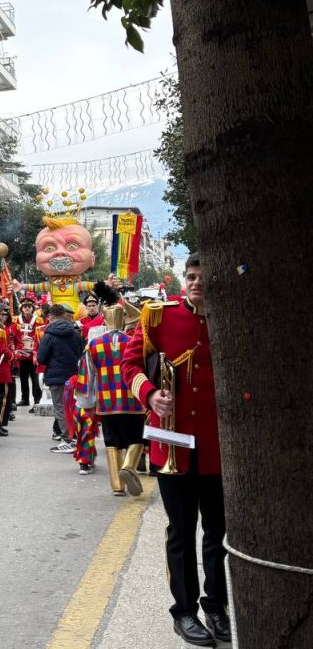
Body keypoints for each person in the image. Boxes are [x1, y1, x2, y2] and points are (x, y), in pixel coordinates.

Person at [121, 254, 229, 646]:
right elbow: (128, 365)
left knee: (217, 531)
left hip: (218, 446)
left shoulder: (229, 318)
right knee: (181, 532)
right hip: (171, 442)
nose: (195, 282)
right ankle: (184, 612)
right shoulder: (157, 317)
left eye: (202, 277)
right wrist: (149, 395)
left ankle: (216, 605)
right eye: (191, 276)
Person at [75, 300, 146, 495]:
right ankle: (129, 466)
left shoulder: (93, 345)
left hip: (106, 403)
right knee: (136, 438)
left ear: (105, 320)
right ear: (123, 320)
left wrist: (86, 403)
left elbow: (86, 376)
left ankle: (117, 485)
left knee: (111, 441)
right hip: (133, 401)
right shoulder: (133, 342)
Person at [36, 303, 86, 454]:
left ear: (51, 317)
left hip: (56, 377)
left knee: (60, 408)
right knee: (73, 406)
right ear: (65, 315)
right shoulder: (76, 333)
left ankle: (67, 439)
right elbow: (81, 354)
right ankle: (76, 436)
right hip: (73, 376)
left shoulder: (49, 335)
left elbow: (41, 359)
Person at [13, 299, 44, 407]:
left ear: (32, 308)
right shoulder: (16, 320)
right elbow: (14, 336)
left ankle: (37, 401)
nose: (27, 308)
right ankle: (24, 399)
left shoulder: (39, 320)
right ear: (21, 308)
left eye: (29, 306)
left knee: (36, 380)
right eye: (25, 306)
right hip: (21, 355)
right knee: (23, 379)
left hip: (33, 355)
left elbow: (41, 335)